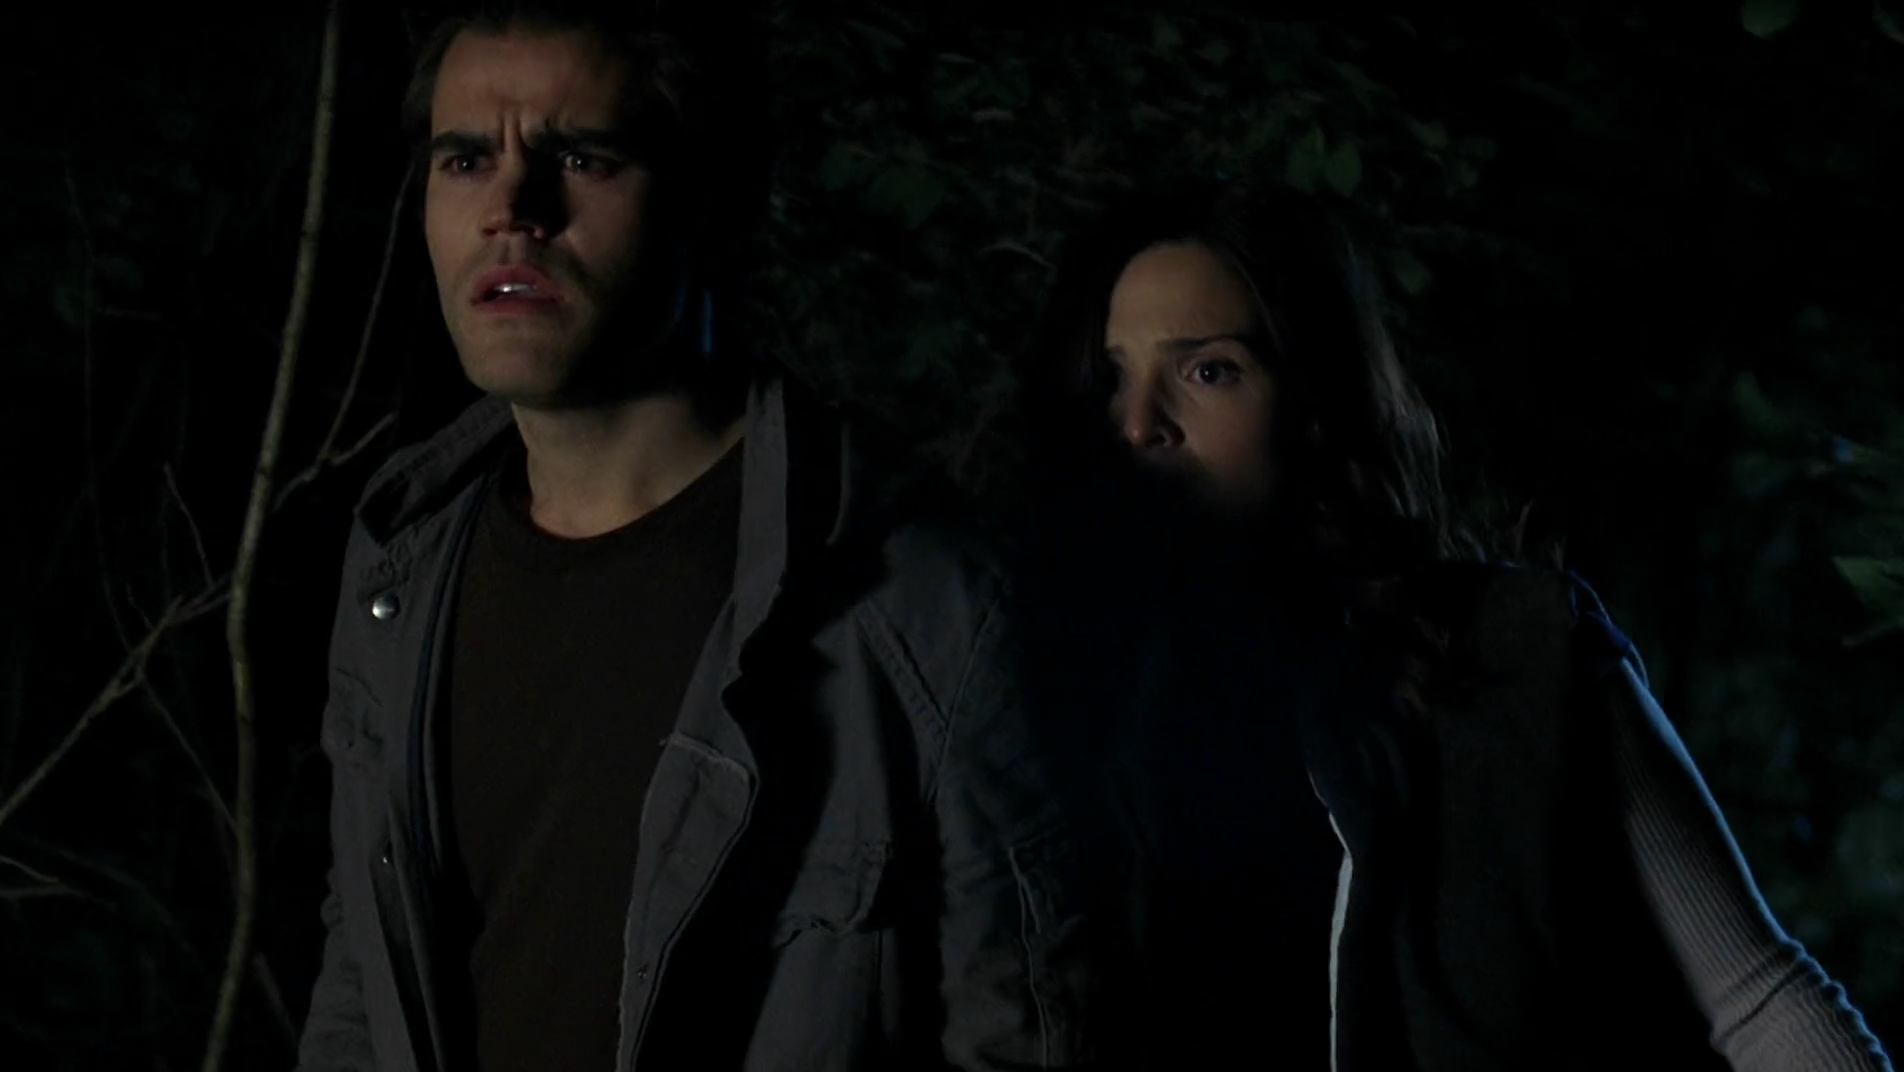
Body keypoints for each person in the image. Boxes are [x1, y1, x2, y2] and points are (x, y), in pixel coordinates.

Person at [295, 4, 1096, 1070]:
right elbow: (364, 974)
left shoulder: (917, 607)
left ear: (706, 201)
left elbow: (1022, 1034)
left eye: (581, 158)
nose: (511, 209)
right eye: (466, 160)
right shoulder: (401, 565)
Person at [1009, 178, 1894, 1072]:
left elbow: (1758, 997)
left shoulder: (1515, 651)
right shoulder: (1021, 685)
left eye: (1208, 371)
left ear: (1312, 401)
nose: (1139, 424)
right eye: (1112, 377)